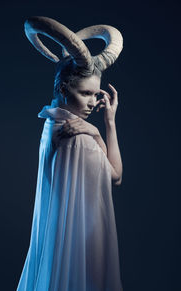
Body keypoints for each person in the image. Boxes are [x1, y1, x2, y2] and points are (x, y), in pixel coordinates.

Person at [16, 16, 124, 291]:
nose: (92, 103)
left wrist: (99, 127)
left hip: (62, 244)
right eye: (85, 93)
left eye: (95, 94)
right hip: (83, 246)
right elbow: (116, 176)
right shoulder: (80, 138)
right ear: (63, 89)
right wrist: (104, 128)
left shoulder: (50, 124)